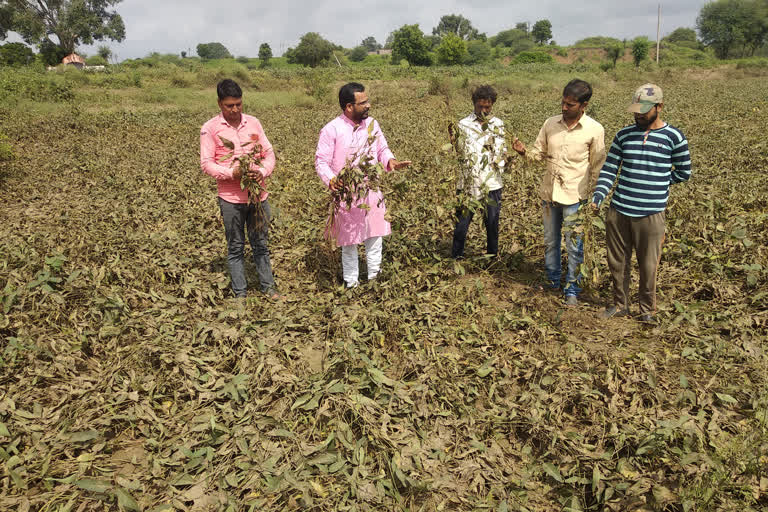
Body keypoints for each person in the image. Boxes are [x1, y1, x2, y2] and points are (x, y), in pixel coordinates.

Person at [591, 83, 692, 322]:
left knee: (648, 266)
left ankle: (647, 311)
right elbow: (610, 170)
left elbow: (684, 172)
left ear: (659, 107)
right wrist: (599, 196)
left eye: (644, 111)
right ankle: (620, 304)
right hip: (619, 210)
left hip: (651, 214)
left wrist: (659, 182)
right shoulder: (624, 135)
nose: (638, 114)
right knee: (617, 262)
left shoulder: (673, 137)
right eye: (636, 110)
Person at [512, 79, 606, 306]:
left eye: (571, 105)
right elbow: (539, 153)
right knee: (550, 241)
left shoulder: (594, 130)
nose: (564, 108)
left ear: (584, 105)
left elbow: (597, 167)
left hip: (576, 196)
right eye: (563, 102)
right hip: (549, 194)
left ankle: (572, 288)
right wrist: (524, 152)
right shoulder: (550, 124)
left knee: (574, 245)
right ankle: (552, 280)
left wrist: (595, 198)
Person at [315, 82, 411, 288]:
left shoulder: (372, 125)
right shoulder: (331, 130)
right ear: (349, 107)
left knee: (374, 235)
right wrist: (332, 180)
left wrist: (390, 161)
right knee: (349, 241)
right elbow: (321, 162)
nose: (368, 105)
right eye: (363, 102)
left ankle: (375, 279)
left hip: (371, 189)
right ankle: (352, 283)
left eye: (367, 101)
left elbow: (381, 149)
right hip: (346, 194)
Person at [200, 79, 280, 299]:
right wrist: (231, 173)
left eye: (238, 104)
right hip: (230, 200)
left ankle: (268, 288)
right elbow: (206, 164)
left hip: (258, 196)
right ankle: (240, 294)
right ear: (219, 103)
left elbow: (269, 154)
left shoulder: (253, 123)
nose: (235, 110)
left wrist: (262, 172)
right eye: (229, 105)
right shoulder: (210, 129)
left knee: (261, 244)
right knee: (235, 247)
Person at [451, 85, 509, 259]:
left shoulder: (498, 124)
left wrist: (504, 159)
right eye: (480, 107)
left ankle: (492, 257)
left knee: (491, 223)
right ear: (474, 104)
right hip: (468, 183)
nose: (483, 111)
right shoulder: (463, 124)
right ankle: (456, 257)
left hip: (492, 183)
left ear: (492, 105)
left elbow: (502, 152)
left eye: (487, 107)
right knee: (461, 224)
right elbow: (460, 153)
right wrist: (454, 143)